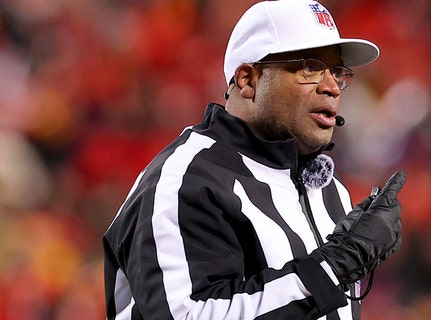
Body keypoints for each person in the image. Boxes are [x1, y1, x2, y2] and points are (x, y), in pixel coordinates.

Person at [103, 0, 406, 319]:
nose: (332, 87)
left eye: (338, 73)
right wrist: (331, 269)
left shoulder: (330, 189)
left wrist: (335, 266)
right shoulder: (183, 182)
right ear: (248, 80)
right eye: (311, 68)